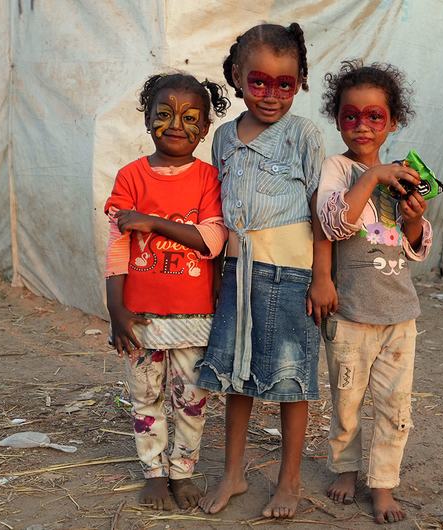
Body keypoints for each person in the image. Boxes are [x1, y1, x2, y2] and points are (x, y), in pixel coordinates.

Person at [196, 23, 336, 520]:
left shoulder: (304, 136)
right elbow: (217, 209)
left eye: (285, 83)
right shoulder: (223, 139)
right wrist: (215, 278)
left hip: (291, 277)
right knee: (236, 378)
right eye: (259, 82)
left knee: (288, 381)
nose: (272, 95)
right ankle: (234, 473)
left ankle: (289, 480)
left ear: (300, 81)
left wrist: (322, 277)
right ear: (237, 76)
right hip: (236, 274)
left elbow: (323, 213)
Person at [103, 73, 231, 510]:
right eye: (164, 114)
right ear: (147, 120)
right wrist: (116, 310)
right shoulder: (131, 177)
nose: (177, 125)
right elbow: (118, 246)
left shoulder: (208, 179)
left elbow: (213, 240)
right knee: (146, 395)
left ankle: (183, 471)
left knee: (192, 400)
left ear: (205, 127)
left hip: (195, 316)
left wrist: (154, 222)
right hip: (142, 316)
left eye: (190, 117)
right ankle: (154, 474)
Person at [315, 60, 431, 525]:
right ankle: (344, 468)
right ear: (337, 118)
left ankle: (383, 484)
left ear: (393, 122)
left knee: (394, 406)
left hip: (399, 314)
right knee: (346, 401)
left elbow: (418, 248)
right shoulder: (336, 168)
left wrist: (415, 219)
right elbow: (333, 223)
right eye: (350, 116)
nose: (362, 125)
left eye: (374, 117)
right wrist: (371, 177)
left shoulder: (405, 173)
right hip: (350, 313)